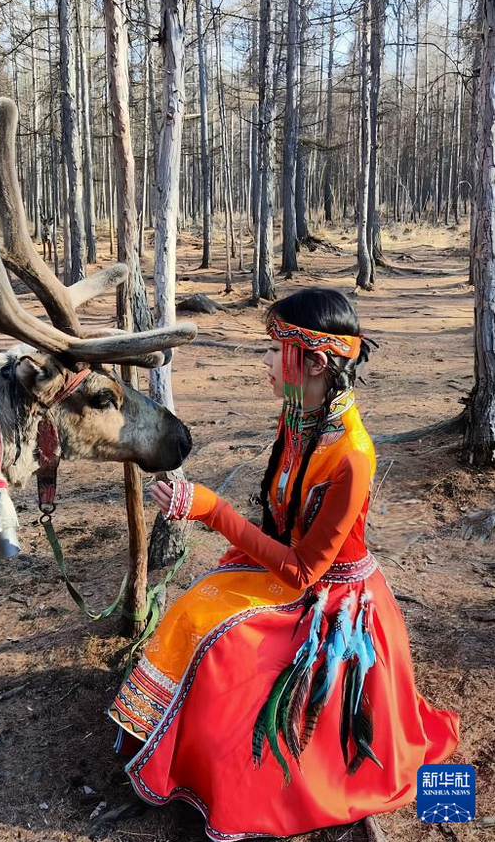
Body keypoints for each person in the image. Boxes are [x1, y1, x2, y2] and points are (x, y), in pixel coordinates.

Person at [109, 287, 459, 839]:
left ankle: (216, 770)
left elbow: (303, 573)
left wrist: (211, 510)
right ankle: (176, 752)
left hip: (337, 608)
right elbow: (282, 529)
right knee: (197, 607)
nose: (267, 361)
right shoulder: (299, 418)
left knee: (222, 639)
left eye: (276, 349)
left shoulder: (353, 454)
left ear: (315, 362)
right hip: (292, 580)